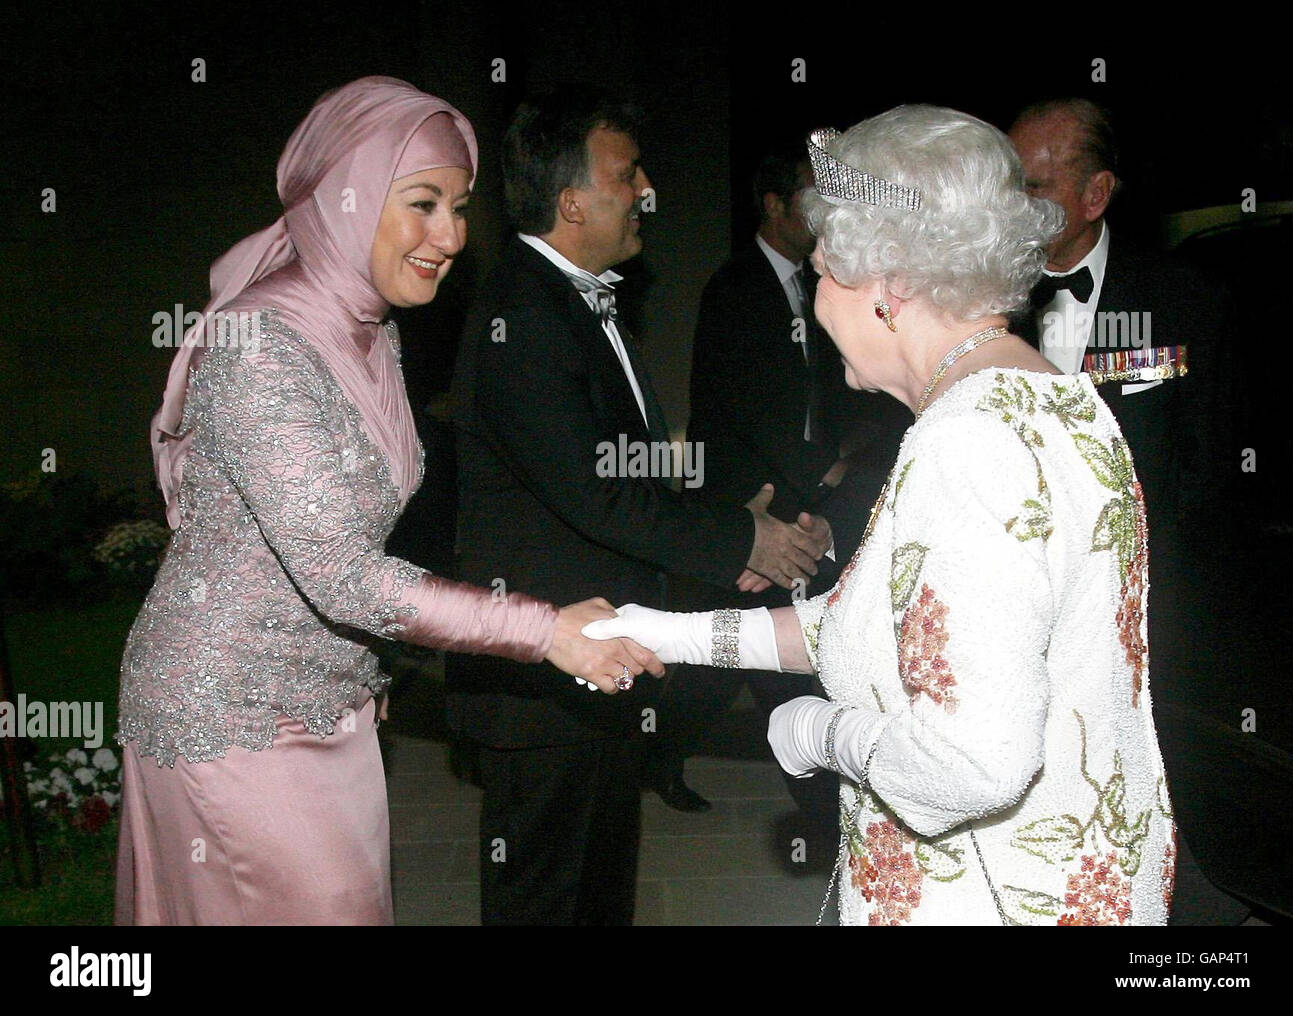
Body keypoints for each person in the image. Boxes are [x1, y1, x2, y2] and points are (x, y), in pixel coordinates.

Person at [585, 105, 1176, 925]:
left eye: (824, 271)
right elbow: (876, 625)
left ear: (890, 287)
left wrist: (821, 734)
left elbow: (974, 765)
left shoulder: (968, 441)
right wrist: (661, 631)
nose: (816, 298)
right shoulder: (1053, 398)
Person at [114, 76, 661, 927]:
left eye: (459, 205)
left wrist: (369, 672)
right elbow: (342, 575)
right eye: (423, 204)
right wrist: (543, 629)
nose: (450, 235)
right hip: (228, 713)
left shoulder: (374, 331)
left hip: (336, 707)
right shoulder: (260, 344)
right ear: (350, 198)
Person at [447, 86, 832, 925]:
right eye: (629, 174)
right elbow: (592, 492)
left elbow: (622, 466)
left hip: (604, 657)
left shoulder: (576, 299)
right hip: (544, 676)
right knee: (547, 901)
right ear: (571, 198)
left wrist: (733, 513)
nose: (648, 190)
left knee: (598, 894)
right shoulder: (526, 315)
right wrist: (742, 538)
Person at [1008, 98, 1244, 924]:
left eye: (1030, 188)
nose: (1010, 208)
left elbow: (1208, 474)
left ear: (1094, 194)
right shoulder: (979, 297)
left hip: (1139, 620)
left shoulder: (1187, 303)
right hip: (1011, 608)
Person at [650, 146, 906, 819]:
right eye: (808, 198)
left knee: (743, 652)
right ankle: (822, 807)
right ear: (772, 205)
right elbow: (744, 399)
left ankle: (666, 753)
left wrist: (847, 466)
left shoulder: (820, 286)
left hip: (808, 502)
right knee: (744, 656)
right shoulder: (736, 286)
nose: (824, 215)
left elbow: (833, 394)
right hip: (746, 504)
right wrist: (818, 472)